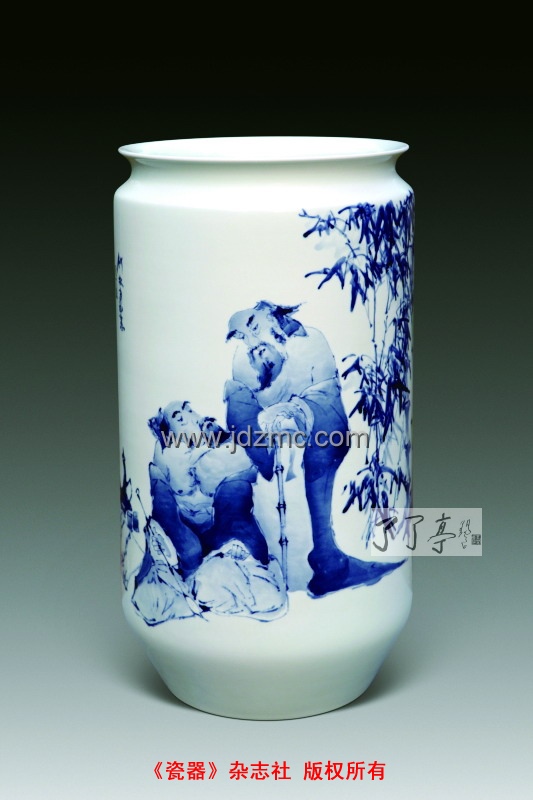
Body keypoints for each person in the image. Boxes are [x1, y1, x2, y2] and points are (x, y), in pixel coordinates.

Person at [225, 300, 404, 597]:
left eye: (254, 327)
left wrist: (297, 412)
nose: (251, 341)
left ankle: (327, 559)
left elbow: (325, 395)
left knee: (329, 437)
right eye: (243, 336)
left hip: (314, 426)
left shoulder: (312, 341)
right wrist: (264, 438)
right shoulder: (244, 360)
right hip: (267, 436)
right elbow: (240, 411)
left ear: (275, 318)